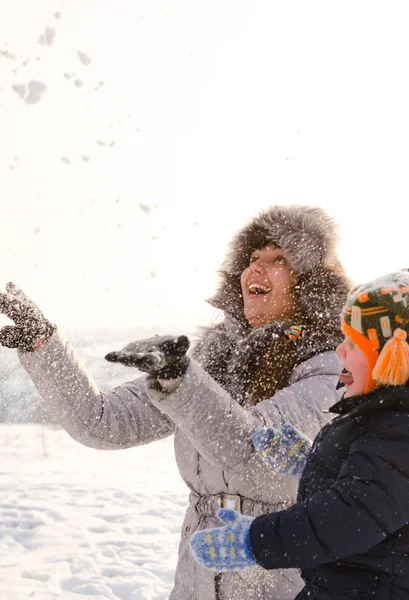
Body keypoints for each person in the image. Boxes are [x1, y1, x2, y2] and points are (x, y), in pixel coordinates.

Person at [0, 205, 350, 600]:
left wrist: (180, 380)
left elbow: (253, 452)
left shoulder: (332, 367)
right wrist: (42, 344)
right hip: (196, 580)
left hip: (282, 580)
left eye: (279, 259)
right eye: (252, 258)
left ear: (310, 283)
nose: (256, 269)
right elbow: (101, 422)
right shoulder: (214, 361)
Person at [190, 271, 409, 600]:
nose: (340, 350)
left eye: (354, 343)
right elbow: (373, 488)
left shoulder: (399, 429)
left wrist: (255, 541)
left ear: (394, 356)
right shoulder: (383, 419)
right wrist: (315, 463)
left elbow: (350, 517)